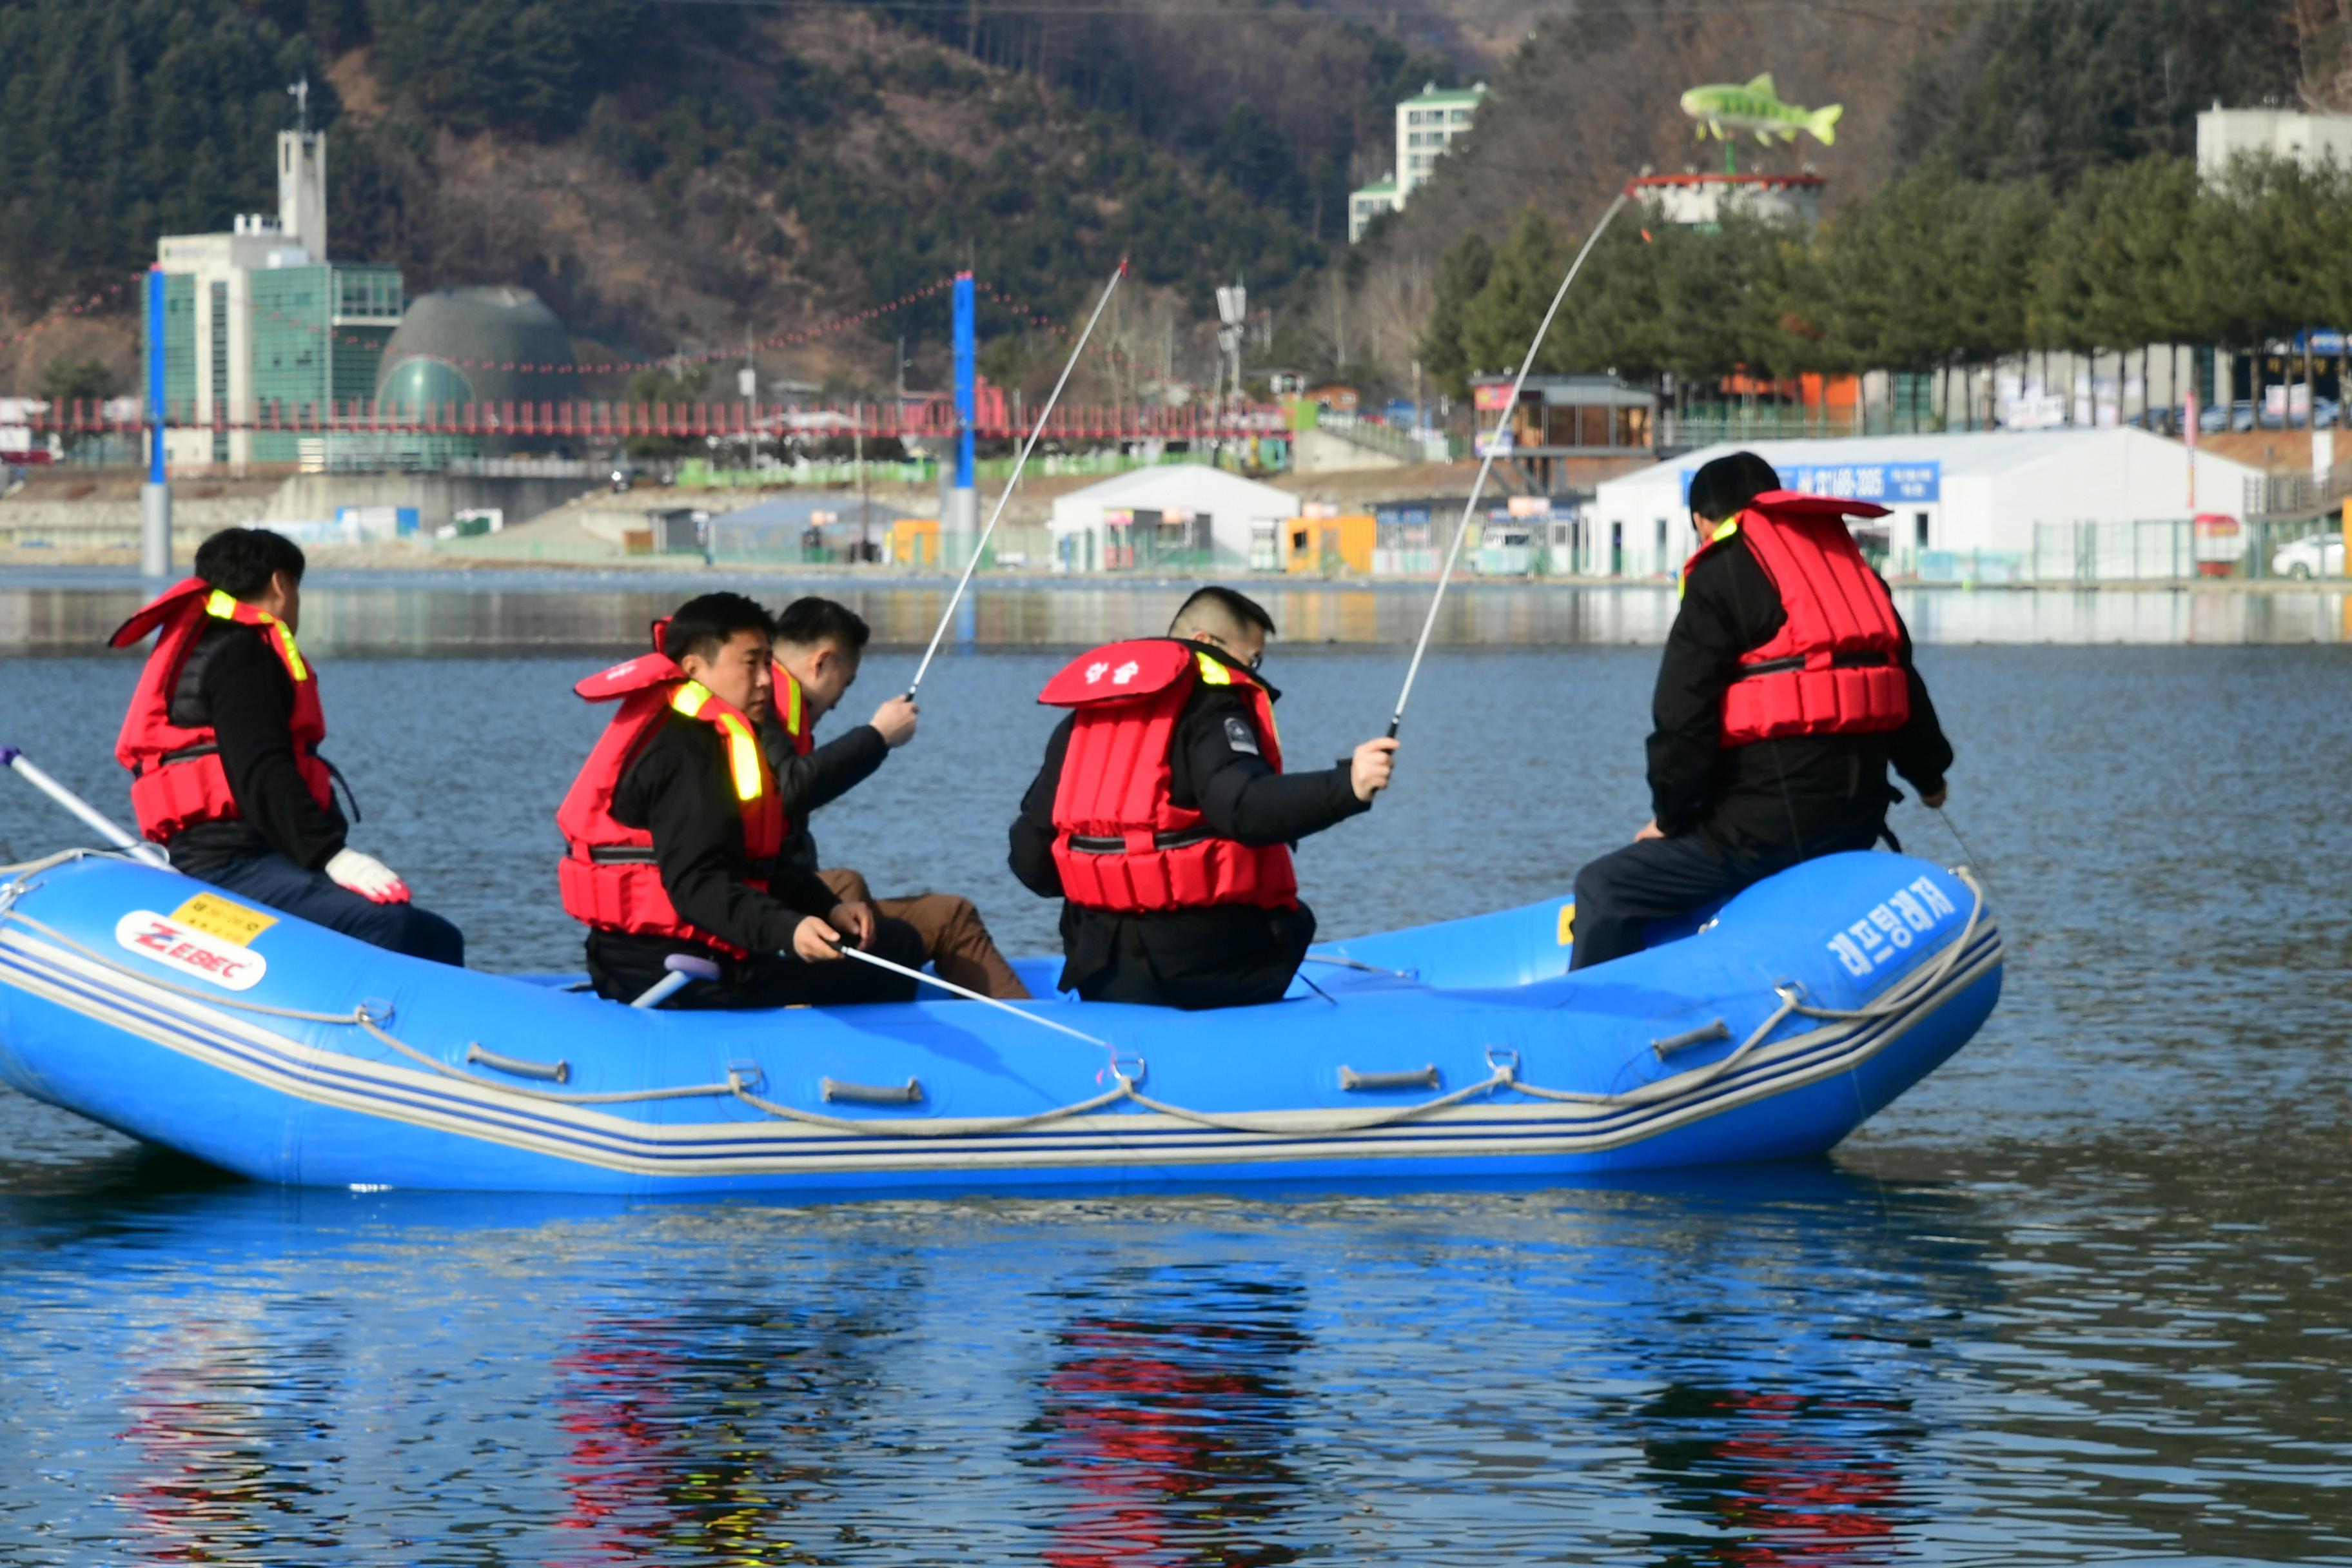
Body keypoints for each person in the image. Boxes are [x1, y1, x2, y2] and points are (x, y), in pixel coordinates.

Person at [1568, 452, 1954, 971]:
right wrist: (1930, 780)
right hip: (1856, 825)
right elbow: (1902, 687)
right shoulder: (1853, 575)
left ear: (1705, 522)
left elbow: (1682, 718)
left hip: (1762, 836)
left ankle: (1593, 1029)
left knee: (1603, 886)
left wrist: (1670, 819)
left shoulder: (1718, 574)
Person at [1008, 586, 1396, 1010]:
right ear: (1206, 643)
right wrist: (1349, 786)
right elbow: (1244, 807)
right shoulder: (1211, 706)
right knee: (1295, 920)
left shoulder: (1087, 718)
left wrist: (1102, 886)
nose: (1253, 669)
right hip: (1198, 969)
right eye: (1253, 658)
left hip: (1098, 965)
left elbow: (1029, 855)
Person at [108, 527, 464, 965]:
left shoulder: (213, 646)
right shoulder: (242, 655)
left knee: (421, 930)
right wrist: (331, 856)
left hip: (236, 856)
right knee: (406, 931)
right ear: (281, 584)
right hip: (230, 864)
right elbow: (261, 771)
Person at [557, 591, 926, 1008]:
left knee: (878, 939)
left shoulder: (709, 735)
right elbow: (697, 886)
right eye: (751, 664)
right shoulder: (684, 751)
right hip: (669, 969)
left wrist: (825, 909)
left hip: (670, 952)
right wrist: (787, 929)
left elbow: (749, 863)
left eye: (768, 662)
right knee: (898, 949)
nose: (767, 680)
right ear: (695, 668)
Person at [756, 595, 1032, 1001]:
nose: (838, 702)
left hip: (782, 896)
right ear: (821, 663)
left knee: (878, 893)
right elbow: (793, 790)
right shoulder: (758, 711)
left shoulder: (764, 708)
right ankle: (1033, 1041)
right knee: (923, 913)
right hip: (769, 916)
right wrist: (878, 736)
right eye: (846, 683)